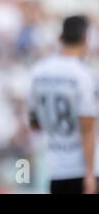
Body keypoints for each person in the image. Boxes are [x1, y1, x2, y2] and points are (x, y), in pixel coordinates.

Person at [29, 15, 99, 194]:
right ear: (85, 39)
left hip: (55, 167)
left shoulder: (38, 72)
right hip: (82, 169)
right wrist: (90, 175)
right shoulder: (84, 75)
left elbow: (34, 122)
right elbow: (87, 129)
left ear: (61, 38)